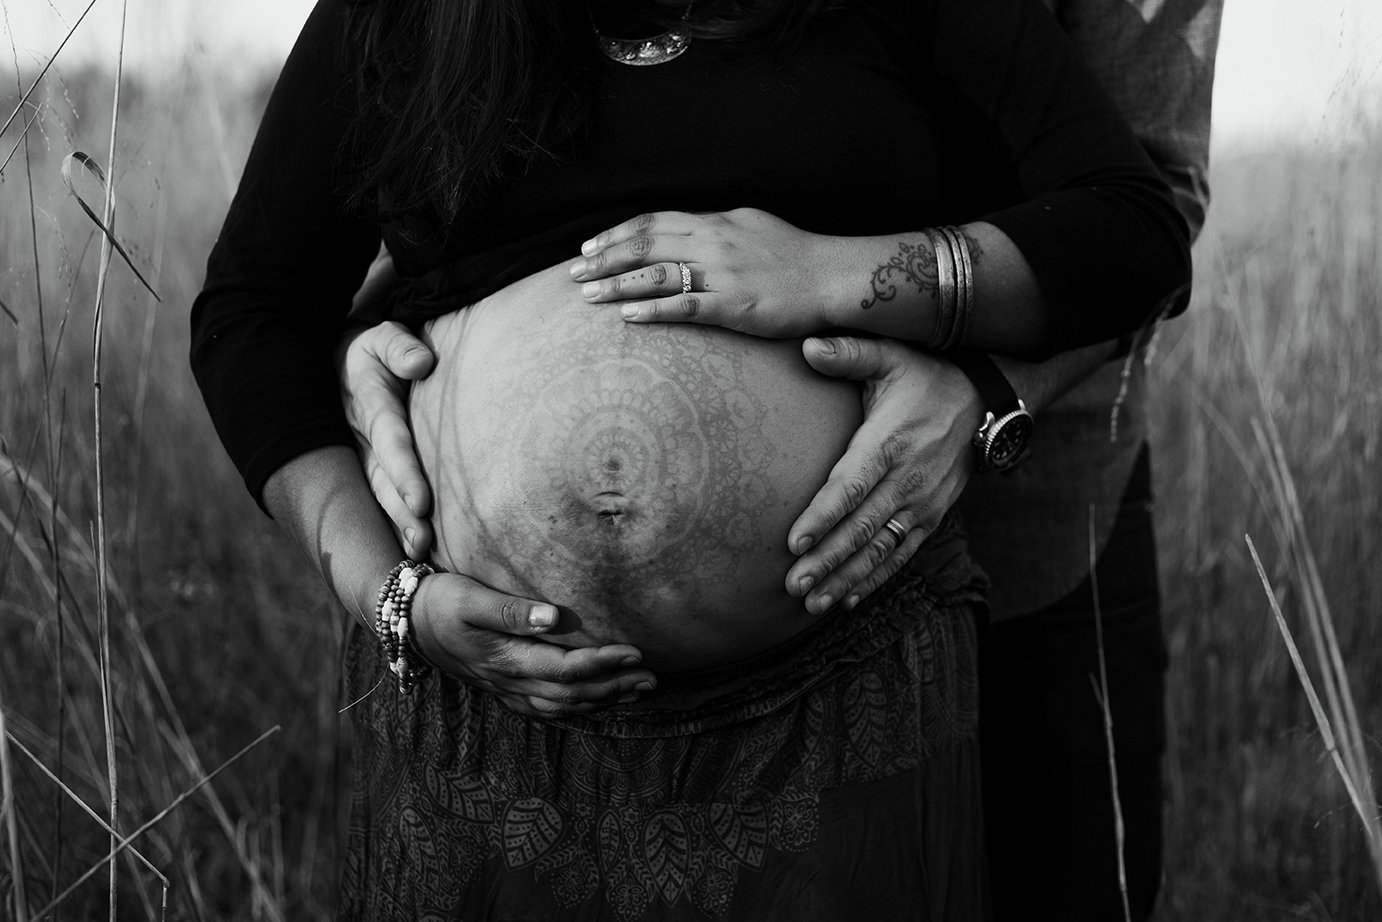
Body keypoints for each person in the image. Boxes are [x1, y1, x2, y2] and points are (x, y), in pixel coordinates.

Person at [190, 0, 1192, 917]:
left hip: (834, 696)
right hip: (494, 711)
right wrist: (389, 596)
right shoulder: (410, 16)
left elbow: (1131, 226)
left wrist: (832, 276)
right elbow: (257, 309)